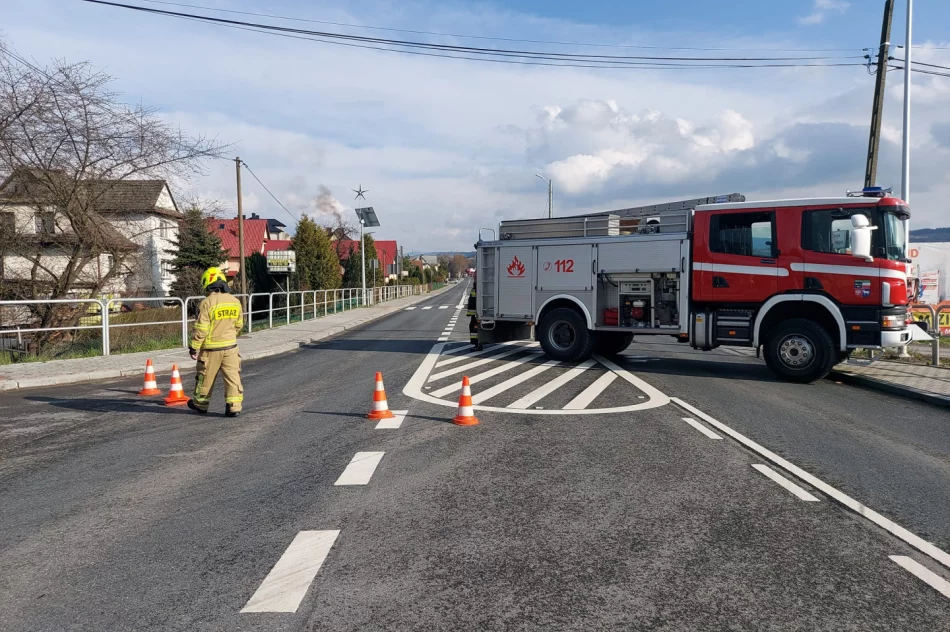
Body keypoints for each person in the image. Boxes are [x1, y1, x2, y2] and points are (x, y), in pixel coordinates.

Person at [187, 267, 244, 417]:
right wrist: (229, 335)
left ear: (208, 283)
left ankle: (200, 405)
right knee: (233, 378)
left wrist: (194, 347)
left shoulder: (207, 303)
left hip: (211, 350)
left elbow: (201, 329)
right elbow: (239, 324)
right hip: (231, 348)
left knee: (205, 378)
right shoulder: (235, 301)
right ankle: (234, 407)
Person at [467, 276, 482, 350]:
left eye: (475, 278)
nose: (474, 280)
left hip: (476, 314)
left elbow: (473, 302)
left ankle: (477, 344)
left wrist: (471, 312)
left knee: (475, 328)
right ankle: (477, 344)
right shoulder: (477, 288)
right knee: (474, 327)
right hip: (476, 313)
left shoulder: (476, 289)